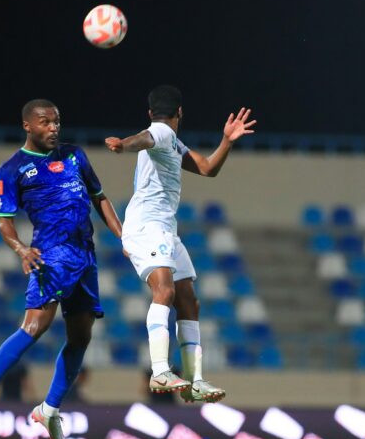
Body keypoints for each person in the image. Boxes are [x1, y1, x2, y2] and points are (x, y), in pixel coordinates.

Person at [0, 99, 121, 439]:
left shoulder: (75, 156)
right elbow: (4, 222)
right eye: (45, 122)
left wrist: (123, 237)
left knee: (81, 337)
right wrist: (21, 249)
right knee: (34, 326)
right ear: (28, 126)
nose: (53, 128)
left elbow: (100, 197)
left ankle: (49, 409)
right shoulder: (13, 168)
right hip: (50, 255)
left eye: (57, 122)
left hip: (85, 255)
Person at [105, 85, 255, 403]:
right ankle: (160, 370)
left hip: (166, 230)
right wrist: (123, 144)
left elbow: (207, 168)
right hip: (147, 227)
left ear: (150, 111)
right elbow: (143, 139)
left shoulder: (173, 143)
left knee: (189, 300)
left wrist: (226, 141)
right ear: (180, 112)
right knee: (166, 291)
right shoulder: (159, 132)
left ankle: (193, 380)